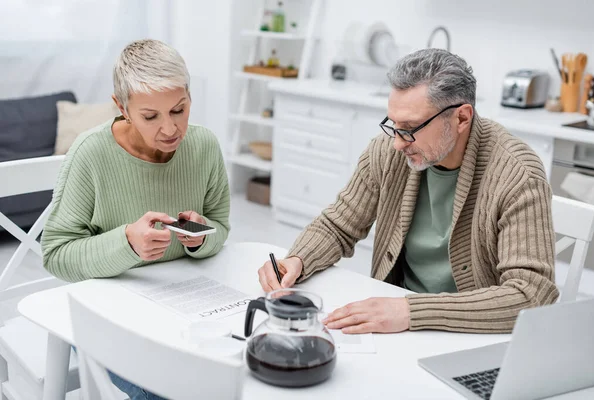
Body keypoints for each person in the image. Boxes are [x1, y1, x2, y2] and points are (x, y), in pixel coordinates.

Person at [258, 48, 558, 335]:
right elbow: (338, 225)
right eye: (394, 124)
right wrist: (298, 259)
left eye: (411, 127)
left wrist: (411, 311)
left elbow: (531, 293)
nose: (398, 142)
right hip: (397, 320)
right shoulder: (388, 151)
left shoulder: (517, 173)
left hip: (472, 332)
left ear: (462, 118)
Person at [42, 39, 229, 399]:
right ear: (122, 108)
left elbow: (220, 225)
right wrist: (126, 242)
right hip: (105, 317)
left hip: (186, 310)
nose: (170, 129)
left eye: (179, 109)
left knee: (233, 379)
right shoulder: (91, 153)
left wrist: (203, 238)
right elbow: (56, 254)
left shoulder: (204, 146)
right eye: (150, 116)